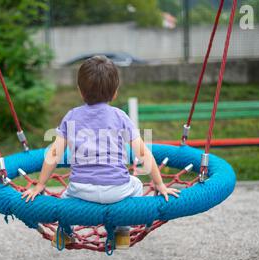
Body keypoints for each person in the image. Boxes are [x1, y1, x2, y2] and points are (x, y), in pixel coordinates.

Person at [22, 56, 180, 249]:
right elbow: (143, 152)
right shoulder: (120, 117)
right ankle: (122, 230)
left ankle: (65, 233)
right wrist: (160, 184)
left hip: (81, 189)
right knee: (137, 184)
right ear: (115, 93)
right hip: (117, 190)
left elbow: (54, 153)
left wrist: (40, 185)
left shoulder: (71, 116)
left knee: (62, 203)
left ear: (80, 91)